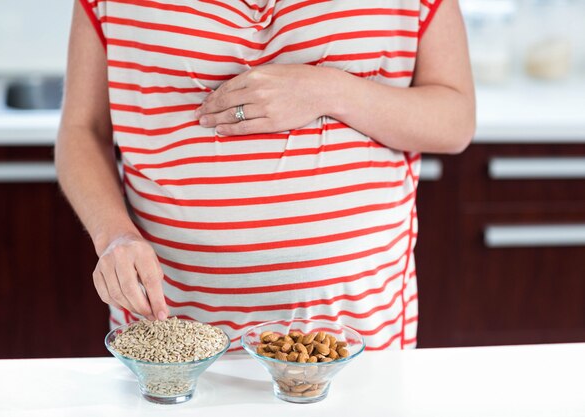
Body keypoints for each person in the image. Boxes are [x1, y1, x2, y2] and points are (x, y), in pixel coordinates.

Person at [55, 0, 475, 351]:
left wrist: (331, 90)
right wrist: (114, 235)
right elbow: (82, 129)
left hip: (356, 334)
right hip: (172, 338)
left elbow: (455, 120)